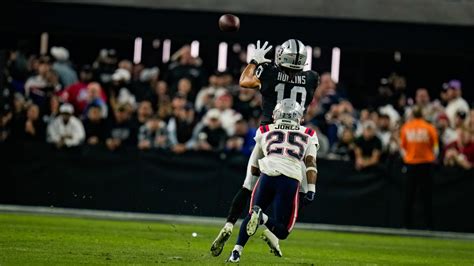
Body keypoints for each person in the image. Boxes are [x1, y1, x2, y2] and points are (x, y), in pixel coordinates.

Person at [211, 39, 320, 258]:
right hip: (296, 134)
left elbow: (245, 81)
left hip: (268, 133)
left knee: (248, 185)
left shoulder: (270, 73)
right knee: (300, 189)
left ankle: (230, 227)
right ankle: (274, 232)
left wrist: (254, 61)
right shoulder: (311, 78)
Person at [227, 99, 319, 263]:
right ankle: (263, 219)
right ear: (299, 116)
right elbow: (310, 163)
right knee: (283, 231)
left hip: (267, 175)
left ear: (276, 114)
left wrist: (253, 181)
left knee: (251, 215)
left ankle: (236, 252)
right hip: (290, 179)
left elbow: (255, 164)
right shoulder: (309, 133)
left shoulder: (265, 129)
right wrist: (311, 188)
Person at [400, 106, 438, 229]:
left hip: (411, 164)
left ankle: (407, 225)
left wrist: (408, 158)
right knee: (426, 196)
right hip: (426, 164)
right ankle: (429, 226)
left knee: (409, 196)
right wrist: (431, 158)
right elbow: (436, 148)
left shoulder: (406, 127)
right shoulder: (429, 127)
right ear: (422, 114)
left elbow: (402, 148)